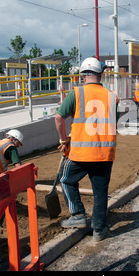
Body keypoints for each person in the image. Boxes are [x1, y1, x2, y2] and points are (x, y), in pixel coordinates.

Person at [55, 57, 118, 242]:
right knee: (100, 192)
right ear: (101, 75)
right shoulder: (112, 96)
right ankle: (99, 231)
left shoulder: (76, 93)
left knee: (66, 180)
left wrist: (63, 139)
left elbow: (59, 118)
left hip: (80, 153)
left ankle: (78, 214)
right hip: (105, 153)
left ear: (83, 76)